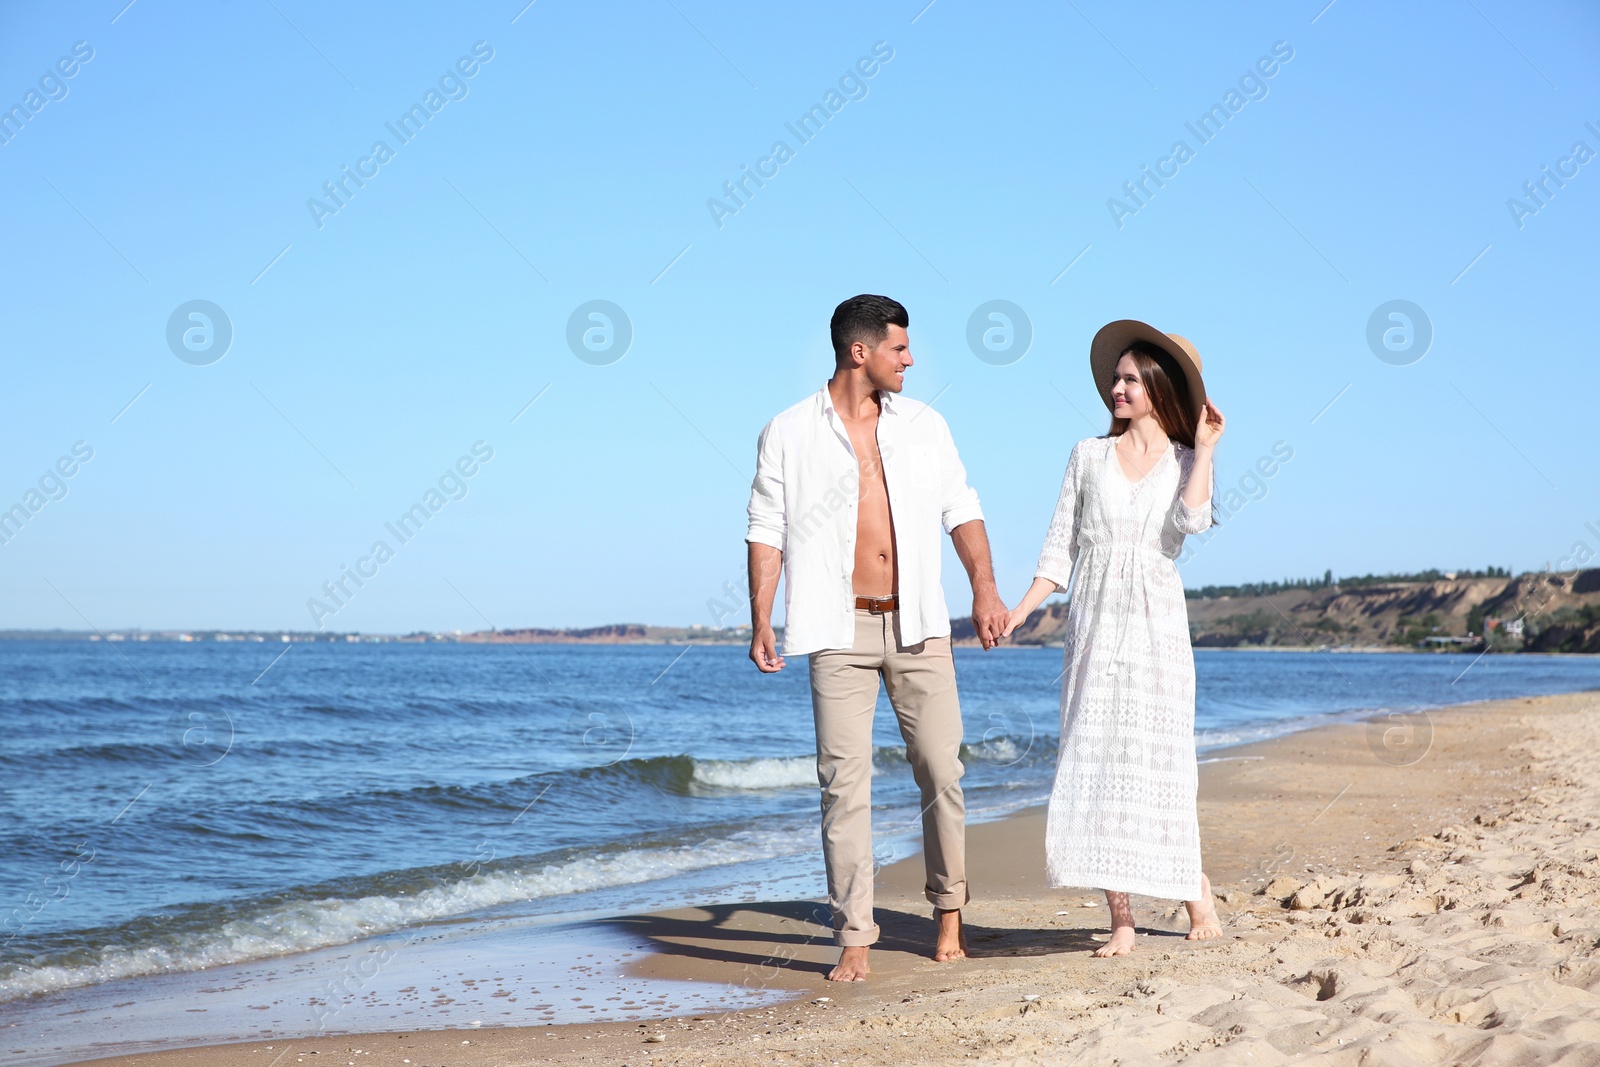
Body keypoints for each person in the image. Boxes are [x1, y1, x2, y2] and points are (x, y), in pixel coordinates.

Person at [745, 294, 1009, 982]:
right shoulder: (788, 431)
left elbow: (962, 507)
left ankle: (948, 912)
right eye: (900, 348)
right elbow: (766, 528)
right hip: (837, 626)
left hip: (919, 622)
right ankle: (855, 933)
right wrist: (760, 618)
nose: (911, 359)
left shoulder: (925, 425)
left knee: (940, 769)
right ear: (859, 351)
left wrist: (984, 587)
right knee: (842, 784)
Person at [1002, 319, 1226, 957]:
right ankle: (1122, 919)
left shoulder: (1185, 461)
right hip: (1095, 627)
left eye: (1130, 379)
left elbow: (1193, 520)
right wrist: (1020, 612)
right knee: (1096, 761)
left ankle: (1193, 892)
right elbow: (1057, 551)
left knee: (1162, 763)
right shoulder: (1086, 455)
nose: (1117, 388)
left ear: (1157, 386)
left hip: (1157, 630)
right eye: (1115, 379)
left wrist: (1206, 449)